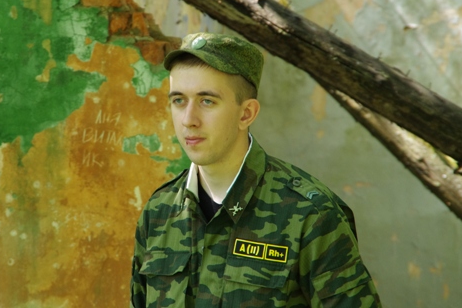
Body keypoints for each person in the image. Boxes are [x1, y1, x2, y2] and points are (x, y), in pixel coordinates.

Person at [130, 32, 381, 307]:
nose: (188, 120)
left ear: (246, 113)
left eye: (207, 101)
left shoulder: (309, 215)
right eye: (179, 100)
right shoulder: (159, 212)